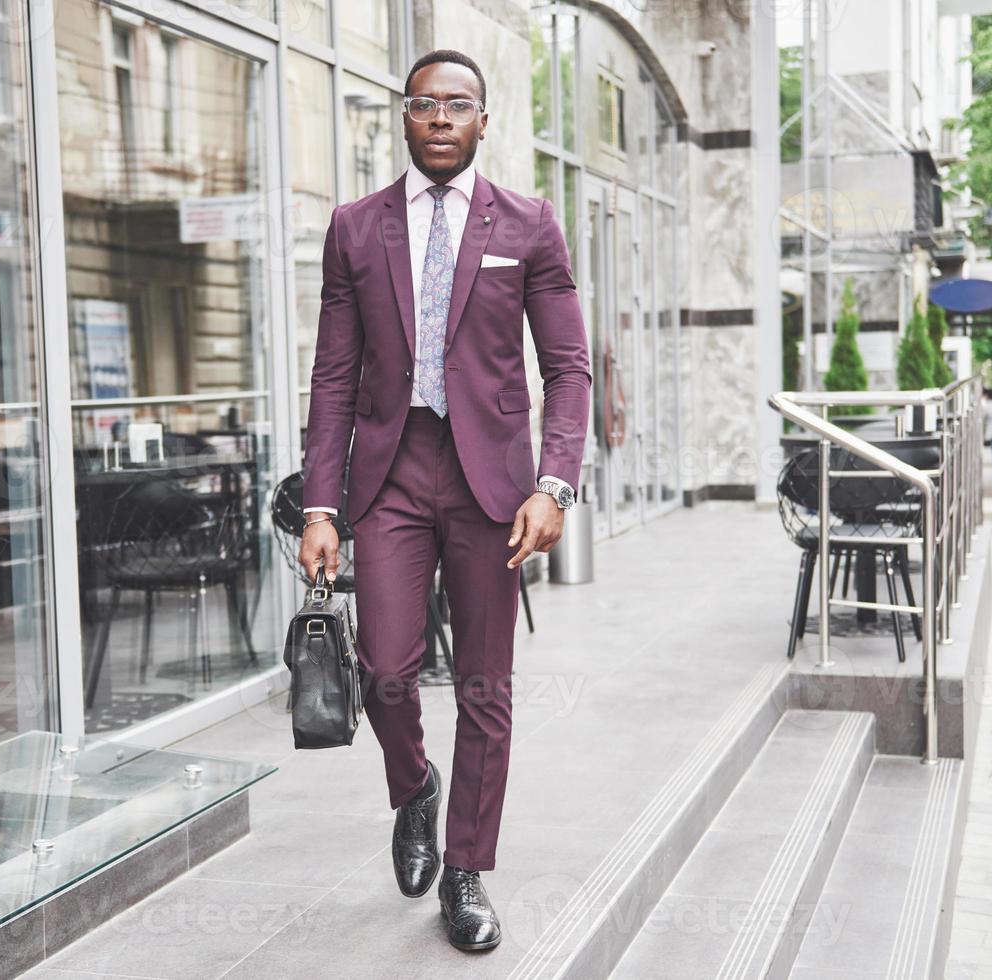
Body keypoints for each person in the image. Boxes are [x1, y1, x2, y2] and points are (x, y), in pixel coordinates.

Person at [298, 49, 591, 952]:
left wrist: (554, 483)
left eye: (456, 105)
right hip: (388, 473)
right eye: (423, 104)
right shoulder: (355, 228)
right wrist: (319, 504)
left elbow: (569, 368)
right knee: (386, 667)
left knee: (484, 687)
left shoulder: (530, 224)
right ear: (403, 117)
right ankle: (415, 785)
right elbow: (334, 377)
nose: (438, 119)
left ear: (483, 120)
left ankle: (465, 869)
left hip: (491, 484)